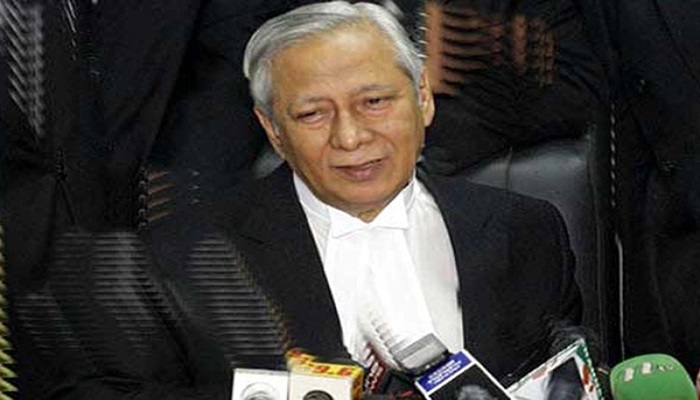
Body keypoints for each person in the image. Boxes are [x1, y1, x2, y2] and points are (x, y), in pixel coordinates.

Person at [215, 0, 583, 386]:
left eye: (374, 102)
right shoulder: (191, 253)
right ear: (274, 130)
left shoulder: (527, 233)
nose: (350, 137)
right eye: (313, 114)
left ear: (423, 98)